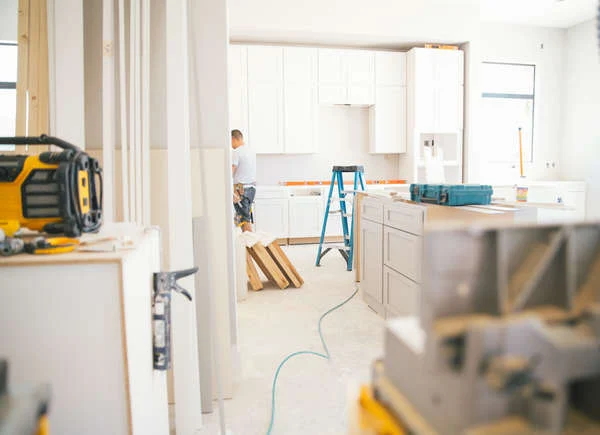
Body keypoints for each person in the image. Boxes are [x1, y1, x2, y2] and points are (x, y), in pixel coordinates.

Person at [231, 129, 256, 232]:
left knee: (244, 221)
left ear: (233, 138)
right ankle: (249, 246)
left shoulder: (236, 152)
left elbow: (231, 171)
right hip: (251, 189)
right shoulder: (250, 151)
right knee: (245, 218)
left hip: (240, 190)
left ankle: (252, 246)